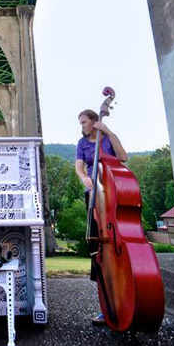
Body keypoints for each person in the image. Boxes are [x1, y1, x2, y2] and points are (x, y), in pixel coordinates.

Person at [75, 108, 128, 326]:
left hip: (113, 193)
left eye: (85, 122)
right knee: (98, 251)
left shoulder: (107, 139)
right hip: (94, 196)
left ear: (95, 121)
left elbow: (123, 157)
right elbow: (79, 166)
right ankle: (105, 306)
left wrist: (108, 131)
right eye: (80, 123)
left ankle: (125, 301)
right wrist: (85, 177)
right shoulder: (82, 143)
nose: (82, 126)